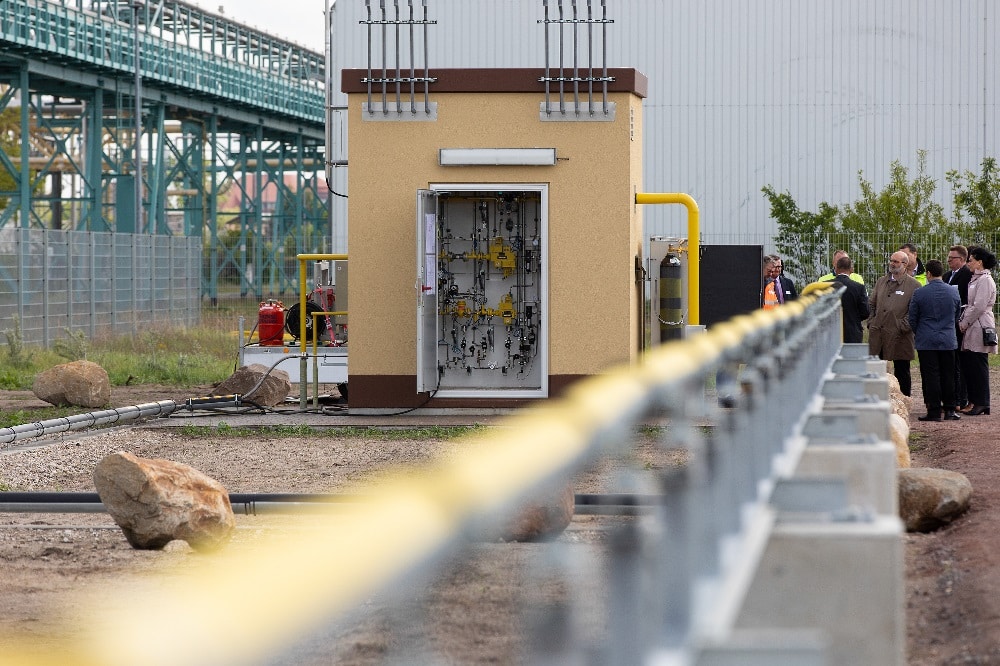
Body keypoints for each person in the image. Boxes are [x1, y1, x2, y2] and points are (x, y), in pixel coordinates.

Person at [908, 260, 962, 421]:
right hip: (947, 339)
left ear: (928, 274)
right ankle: (950, 409)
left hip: (926, 340)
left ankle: (934, 410)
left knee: (930, 375)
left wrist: (921, 332)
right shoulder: (953, 292)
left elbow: (912, 318)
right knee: (949, 374)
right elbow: (957, 315)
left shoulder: (920, 293)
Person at [868, 250, 920, 396]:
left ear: (904, 264)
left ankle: (904, 400)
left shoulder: (914, 285)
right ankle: (875, 399)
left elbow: (914, 311)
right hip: (878, 333)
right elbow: (871, 304)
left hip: (900, 336)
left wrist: (901, 326)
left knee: (902, 370)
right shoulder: (881, 281)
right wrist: (872, 322)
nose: (892, 263)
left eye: (896, 261)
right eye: (891, 260)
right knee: (875, 370)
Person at [957, 246, 998, 416]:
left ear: (979, 262)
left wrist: (965, 322)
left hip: (979, 325)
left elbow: (979, 306)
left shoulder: (985, 280)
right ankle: (975, 401)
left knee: (979, 364)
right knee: (971, 364)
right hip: (973, 324)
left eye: (971, 260)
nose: (968, 263)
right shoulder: (976, 279)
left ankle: (982, 402)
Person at [943, 245, 973, 409]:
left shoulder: (967, 275)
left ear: (961, 259)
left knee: (961, 363)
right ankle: (952, 398)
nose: (948, 260)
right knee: (951, 363)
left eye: (951, 258)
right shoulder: (947, 276)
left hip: (960, 324)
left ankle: (962, 399)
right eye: (948, 258)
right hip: (948, 325)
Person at [831, 255, 869, 343]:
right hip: (852, 333)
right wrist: (854, 318)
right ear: (851, 269)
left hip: (830, 333)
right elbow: (865, 312)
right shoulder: (859, 287)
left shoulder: (825, 286)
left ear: (836, 268)